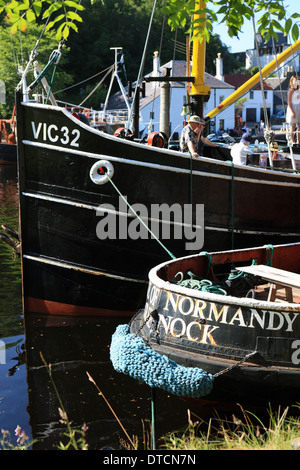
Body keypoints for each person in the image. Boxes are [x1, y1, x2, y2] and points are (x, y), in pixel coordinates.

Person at [286, 75, 300, 144]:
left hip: (298, 108)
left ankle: (298, 141)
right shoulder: (291, 91)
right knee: (293, 126)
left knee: (299, 126)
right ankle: (292, 141)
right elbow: (289, 102)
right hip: (293, 108)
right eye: (295, 81)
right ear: (292, 82)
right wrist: (292, 112)